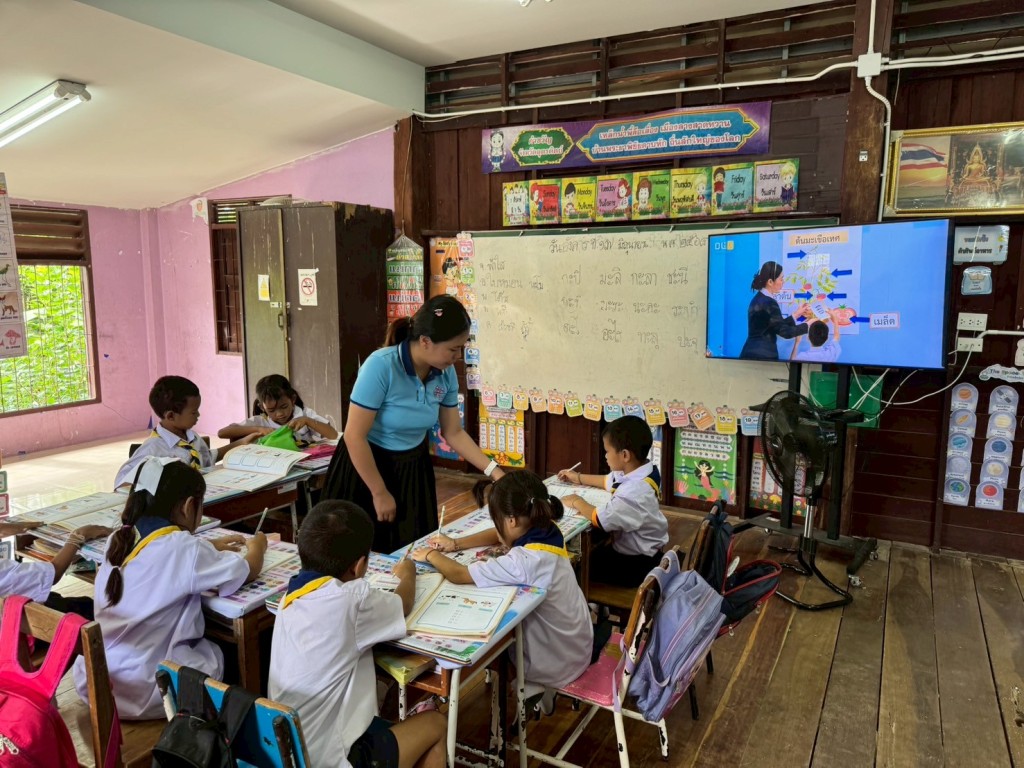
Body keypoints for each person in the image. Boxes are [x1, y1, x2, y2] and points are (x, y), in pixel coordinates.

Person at [75, 457, 266, 718]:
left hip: (102, 681)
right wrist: (258, 546)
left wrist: (209, 547)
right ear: (189, 506)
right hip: (150, 689)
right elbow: (248, 569)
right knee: (234, 651)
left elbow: (162, 556)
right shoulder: (183, 548)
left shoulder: (118, 539)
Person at [269, 501, 447, 768]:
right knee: (436, 724)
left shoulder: (290, 598)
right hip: (330, 759)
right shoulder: (351, 600)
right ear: (360, 565)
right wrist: (408, 573)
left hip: (288, 752)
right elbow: (403, 603)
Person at [323, 295, 504, 552]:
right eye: (453, 349)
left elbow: (453, 432)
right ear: (425, 341)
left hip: (412, 467)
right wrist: (379, 491)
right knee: (357, 550)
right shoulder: (381, 366)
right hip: (366, 466)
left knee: (413, 549)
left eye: (462, 348)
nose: (458, 356)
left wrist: (495, 473)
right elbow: (354, 436)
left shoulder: (445, 374)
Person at [413, 470, 594, 710]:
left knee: (488, 647)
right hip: (577, 646)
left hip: (558, 663)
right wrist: (455, 543)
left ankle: (532, 688)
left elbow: (459, 574)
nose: (496, 529)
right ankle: (534, 689)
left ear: (511, 521)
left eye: (496, 520)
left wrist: (430, 554)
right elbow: (499, 536)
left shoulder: (524, 561)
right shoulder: (547, 530)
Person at [557, 415, 668, 588]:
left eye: (607, 451)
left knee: (577, 567)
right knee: (592, 551)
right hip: (643, 550)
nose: (605, 456)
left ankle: (586, 600)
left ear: (624, 455)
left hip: (636, 564)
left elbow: (599, 518)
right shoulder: (642, 470)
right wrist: (577, 477)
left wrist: (577, 501)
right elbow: (606, 481)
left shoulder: (635, 491)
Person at [114, 375, 257, 487]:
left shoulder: (191, 436)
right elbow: (121, 482)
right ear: (171, 416)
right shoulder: (153, 449)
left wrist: (241, 443)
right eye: (194, 412)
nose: (198, 415)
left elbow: (207, 458)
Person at [0, 518, 112, 618]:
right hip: (22, 622)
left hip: (13, 610)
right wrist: (77, 537)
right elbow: (54, 572)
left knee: (58, 598)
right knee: (89, 607)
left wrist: (15, 527)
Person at [218, 374, 338, 444]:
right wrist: (259, 429)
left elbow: (333, 435)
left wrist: (308, 421)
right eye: (271, 410)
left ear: (293, 399)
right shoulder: (261, 421)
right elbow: (222, 433)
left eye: (284, 407)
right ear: (262, 407)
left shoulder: (304, 414)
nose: (280, 414)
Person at [739, 261, 811, 361]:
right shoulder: (769, 302)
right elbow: (785, 332)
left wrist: (796, 314)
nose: (783, 282)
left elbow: (773, 325)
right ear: (770, 282)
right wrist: (808, 325)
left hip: (749, 352)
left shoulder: (758, 298)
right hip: (763, 356)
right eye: (781, 279)